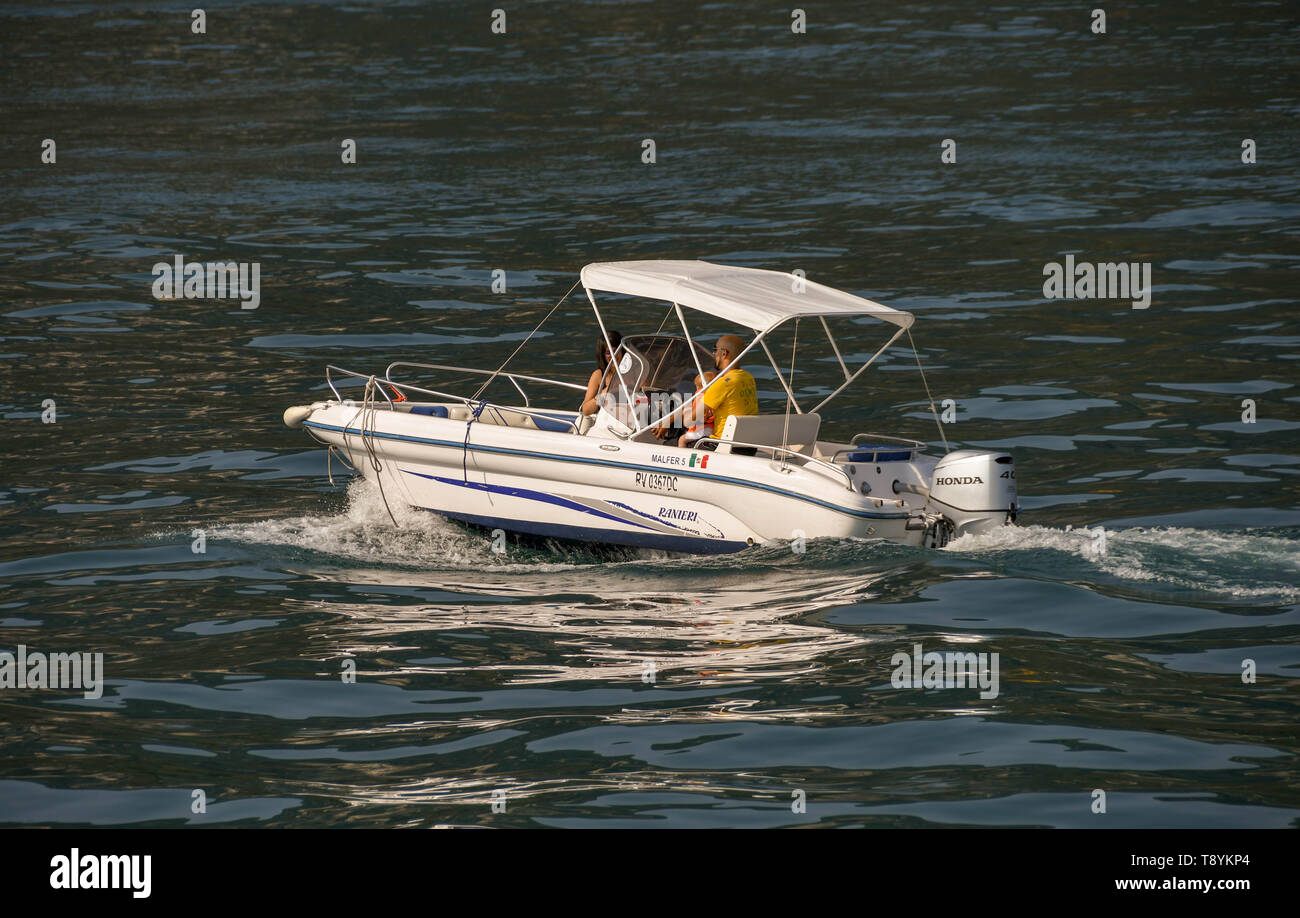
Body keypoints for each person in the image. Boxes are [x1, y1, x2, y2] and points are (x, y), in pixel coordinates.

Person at [699, 334, 758, 451]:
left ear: (724, 353)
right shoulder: (749, 378)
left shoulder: (723, 383)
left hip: (722, 445)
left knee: (674, 441)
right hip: (748, 448)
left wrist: (669, 420)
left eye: (715, 350)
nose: (714, 354)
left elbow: (692, 418)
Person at [580, 330, 622, 415]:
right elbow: (585, 410)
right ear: (602, 355)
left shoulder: (634, 372)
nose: (613, 355)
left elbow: (650, 395)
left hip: (630, 422)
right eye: (608, 353)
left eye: (616, 351)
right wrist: (604, 393)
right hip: (606, 424)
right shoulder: (599, 375)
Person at [677, 372, 716, 448]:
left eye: (697, 386)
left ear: (700, 387)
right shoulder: (711, 396)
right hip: (711, 428)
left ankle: (682, 454)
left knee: (682, 440)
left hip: (703, 430)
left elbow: (702, 415)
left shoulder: (700, 396)